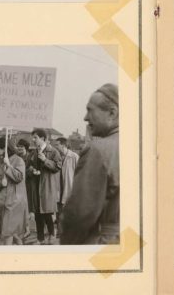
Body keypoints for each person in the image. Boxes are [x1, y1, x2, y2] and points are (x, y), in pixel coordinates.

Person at [61, 84, 119, 245]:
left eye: (90, 110)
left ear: (112, 113)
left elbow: (79, 214)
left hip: (103, 245)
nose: (85, 118)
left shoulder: (98, 151)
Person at [27, 129, 61, 244]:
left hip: (47, 186)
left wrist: (45, 160)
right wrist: (31, 170)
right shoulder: (33, 153)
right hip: (35, 186)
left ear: (43, 138)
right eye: (33, 137)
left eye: (35, 137)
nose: (33, 140)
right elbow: (28, 168)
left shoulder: (53, 151)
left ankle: (52, 235)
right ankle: (40, 239)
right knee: (37, 214)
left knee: (47, 213)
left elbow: (58, 167)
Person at [0, 137, 28, 245]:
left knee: (7, 234)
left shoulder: (18, 160)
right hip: (2, 201)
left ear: (4, 148)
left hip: (14, 202)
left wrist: (8, 166)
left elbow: (19, 177)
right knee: (12, 234)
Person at [56, 137, 79, 237]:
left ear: (63, 145)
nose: (56, 147)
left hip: (69, 188)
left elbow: (80, 173)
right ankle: (60, 232)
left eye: (57, 145)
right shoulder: (57, 156)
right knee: (59, 212)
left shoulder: (74, 157)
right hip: (59, 188)